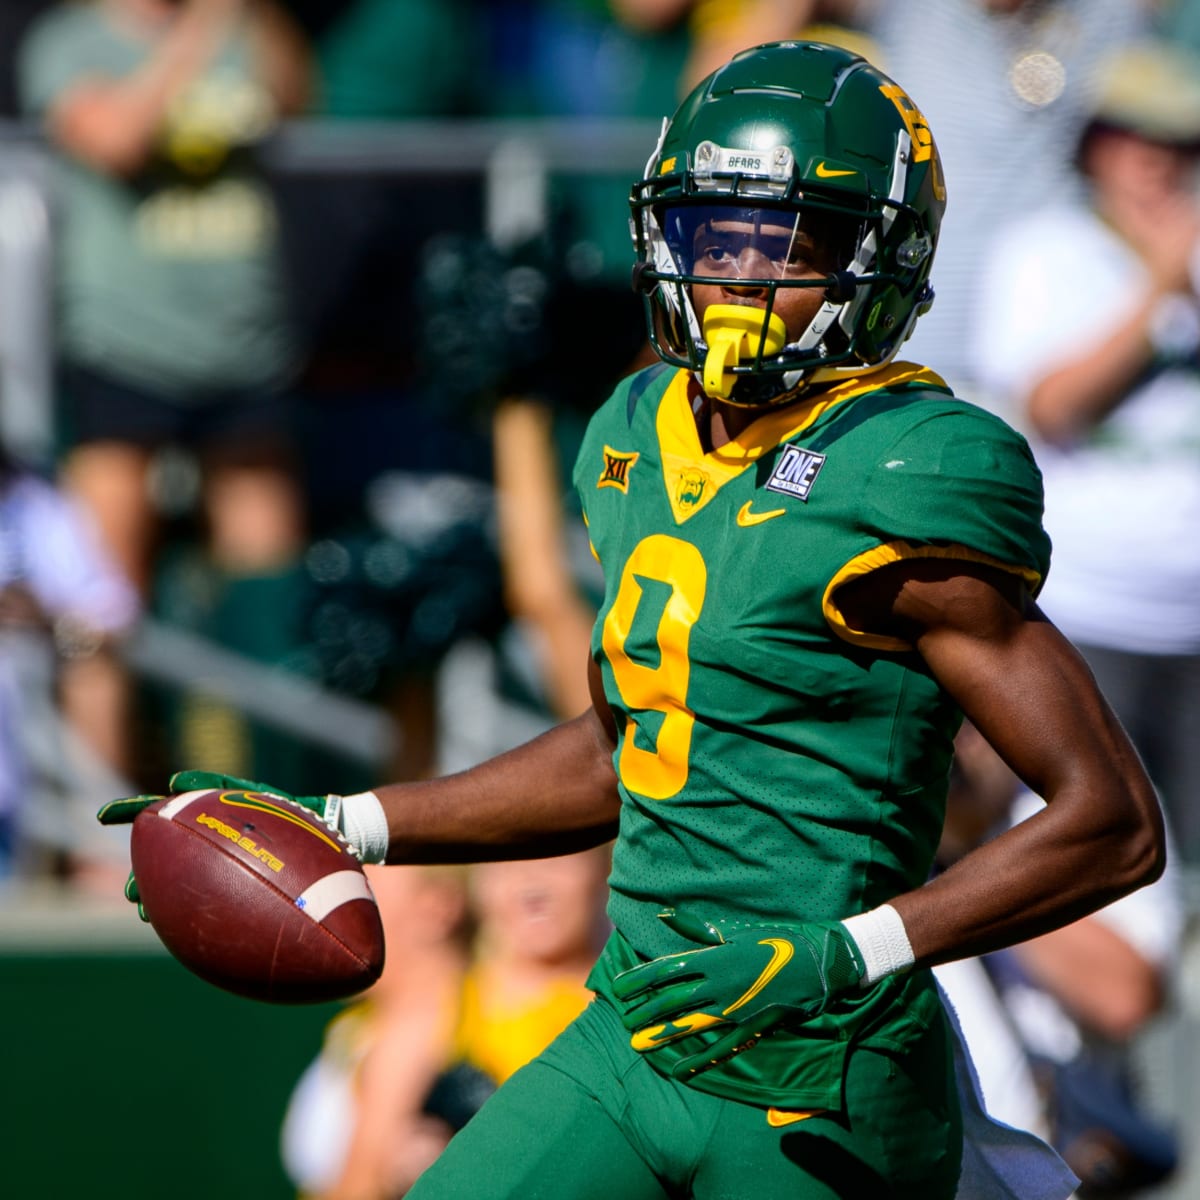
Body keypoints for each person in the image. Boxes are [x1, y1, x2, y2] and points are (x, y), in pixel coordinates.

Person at [101, 42, 1165, 1199]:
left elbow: (1112, 822)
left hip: (819, 1072)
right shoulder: (638, 432)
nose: (736, 277)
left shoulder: (906, 468)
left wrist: (852, 950)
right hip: (636, 1030)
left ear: (879, 259)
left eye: (785, 244)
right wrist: (345, 821)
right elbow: (629, 745)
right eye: (714, 237)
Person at [16, 0, 311, 779]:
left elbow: (296, 97)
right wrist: (203, 30)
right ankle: (100, 815)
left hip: (243, 349)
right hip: (124, 346)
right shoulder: (69, 40)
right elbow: (116, 138)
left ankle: (274, 802)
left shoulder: (243, 24)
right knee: (100, 606)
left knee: (269, 601)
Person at [971, 39, 1200, 865]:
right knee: (1098, 862)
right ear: (1095, 145)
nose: (1158, 159)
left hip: (1194, 625)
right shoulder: (1045, 251)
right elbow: (1052, 407)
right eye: (1136, 136)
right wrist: (1161, 290)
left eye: (1179, 140)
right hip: (1089, 615)